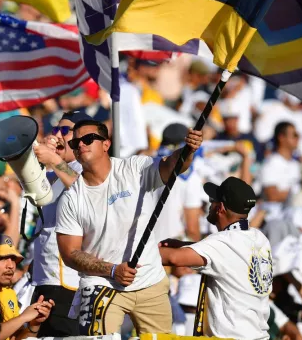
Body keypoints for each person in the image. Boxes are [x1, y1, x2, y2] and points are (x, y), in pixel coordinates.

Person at [56, 119, 203, 335]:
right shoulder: (71, 198)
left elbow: (173, 165)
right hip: (101, 284)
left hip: (150, 280)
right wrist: (112, 270)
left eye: (88, 139)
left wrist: (187, 150)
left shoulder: (134, 168)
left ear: (106, 144)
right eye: (75, 142)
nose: (80, 145)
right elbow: (69, 254)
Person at [159, 177, 273, 340]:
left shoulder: (223, 243)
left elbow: (174, 259)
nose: (210, 205)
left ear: (220, 208)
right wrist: (184, 244)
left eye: (213, 201)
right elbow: (228, 253)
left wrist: (130, 252)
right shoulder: (259, 238)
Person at [29, 109, 86, 336]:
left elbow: (86, 193)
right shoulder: (56, 174)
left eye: (65, 130)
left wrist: (53, 160)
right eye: (56, 129)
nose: (58, 136)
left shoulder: (86, 166)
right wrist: (38, 160)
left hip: (70, 281)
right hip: (46, 276)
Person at [0, 234, 54, 340]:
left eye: (13, 259)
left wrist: (34, 324)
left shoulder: (9, 293)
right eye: (2, 258)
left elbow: (16, 338)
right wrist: (23, 317)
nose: (11, 265)